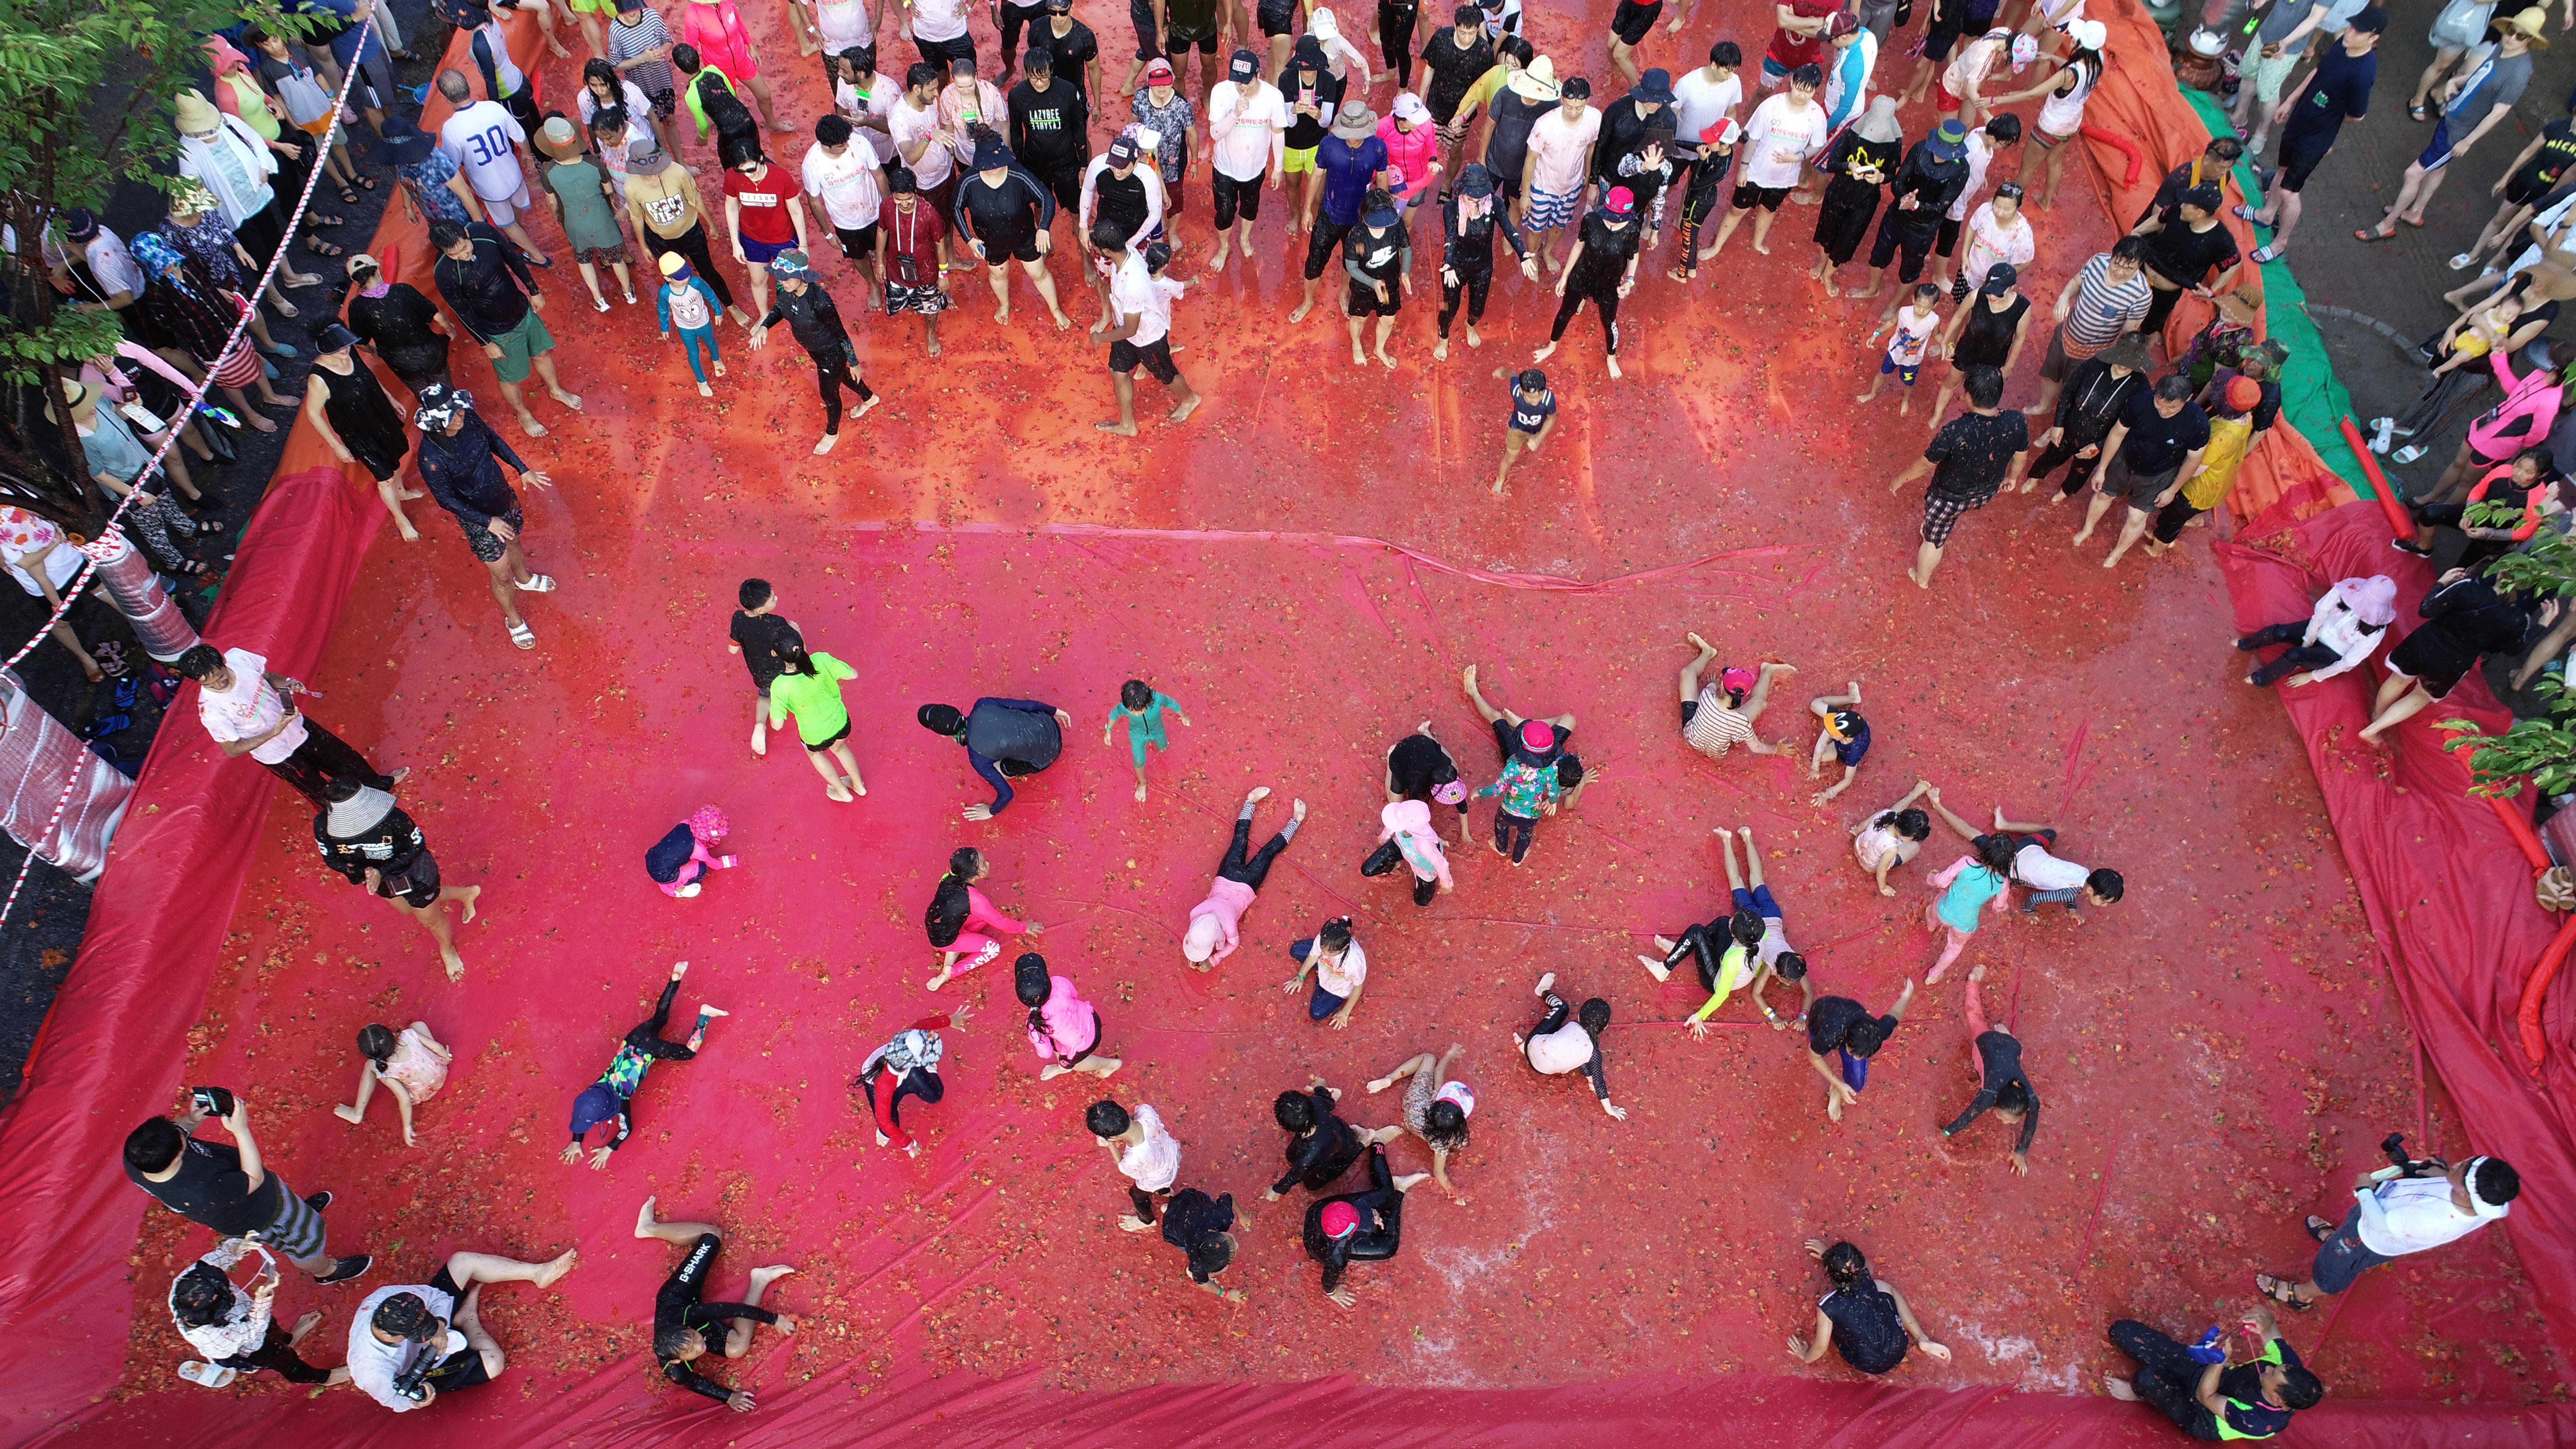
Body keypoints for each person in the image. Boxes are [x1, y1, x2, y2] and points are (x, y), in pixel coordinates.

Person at [125, 1097, 370, 1285]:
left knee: (294, 1212)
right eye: (180, 1138)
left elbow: (177, 1132)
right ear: (177, 1156)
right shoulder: (202, 1191)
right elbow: (254, 1178)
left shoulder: (136, 1158)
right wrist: (241, 1130)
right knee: (302, 1243)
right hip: (263, 1213)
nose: (182, 1132)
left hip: (257, 1200)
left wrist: (191, 1119)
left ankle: (301, 1213)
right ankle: (326, 1271)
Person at [2259, 1150, 2520, 1309]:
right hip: (2376, 1213)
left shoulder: (2434, 1221)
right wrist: (2439, 1174)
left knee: (2332, 1267)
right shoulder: (2478, 1200)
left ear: (2465, 1192)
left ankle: (2302, 1295)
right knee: (2348, 1231)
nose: (2459, 1162)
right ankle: (2334, 1239)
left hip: (2370, 1237)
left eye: (2461, 1168)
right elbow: (2446, 1185)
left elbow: (2381, 1224)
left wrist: (2364, 1190)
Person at [2364, 9, 2544, 241]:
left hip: (2459, 132)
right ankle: (2415, 212)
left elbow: (2499, 113)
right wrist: (2455, 81)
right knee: (2437, 168)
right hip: (2453, 116)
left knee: (2413, 174)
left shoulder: (2518, 73)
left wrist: (2468, 141)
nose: (2511, 38)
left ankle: (2388, 224)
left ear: (2530, 40)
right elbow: (2481, 75)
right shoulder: (2502, 49)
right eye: (2511, 31)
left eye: (2520, 36)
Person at [411, 384, 558, 650]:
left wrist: (522, 469)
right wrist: (488, 522)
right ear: (438, 423)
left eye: (459, 410)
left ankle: (524, 579)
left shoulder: (468, 418)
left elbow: (492, 439)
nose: (460, 416)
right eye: (452, 415)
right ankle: (513, 619)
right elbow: (446, 500)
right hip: (478, 518)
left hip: (501, 496)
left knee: (514, 539)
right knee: (500, 574)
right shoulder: (430, 458)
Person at [347, 1247, 579, 1412]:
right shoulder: (371, 1370)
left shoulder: (390, 1298)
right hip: (423, 1366)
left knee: (462, 1261)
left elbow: (437, 1297)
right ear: (397, 1338)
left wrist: (437, 1324)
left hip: (439, 1325)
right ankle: (469, 1321)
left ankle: (537, 1273)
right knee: (494, 1362)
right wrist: (418, 1399)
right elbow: (394, 1401)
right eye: (420, 1333)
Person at [2234, 9, 2380, 263]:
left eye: (2359, 31)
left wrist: (2328, 112)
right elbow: (2317, 73)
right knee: (2281, 170)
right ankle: (2266, 215)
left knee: (2291, 192)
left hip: (2315, 140)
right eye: (2351, 26)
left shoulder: (2363, 73)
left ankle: (2280, 243)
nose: (2350, 32)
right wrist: (2291, 100)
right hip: (2299, 121)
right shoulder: (2340, 46)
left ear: (2373, 38)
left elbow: (2357, 116)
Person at [177, 642, 403, 804]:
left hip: (298, 725)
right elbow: (232, 750)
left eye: (221, 676)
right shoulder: (212, 711)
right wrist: (274, 731)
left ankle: (380, 786)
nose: (220, 684)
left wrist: (287, 683)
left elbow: (266, 677)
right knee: (316, 789)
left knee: (343, 757)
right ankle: (347, 822)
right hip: (277, 754)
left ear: (225, 661)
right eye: (212, 683)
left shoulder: (239, 658)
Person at [313, 776, 484, 980]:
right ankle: (467, 893)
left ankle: (447, 949)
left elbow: (417, 846)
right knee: (407, 910)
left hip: (415, 873)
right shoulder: (324, 823)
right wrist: (363, 872)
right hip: (378, 880)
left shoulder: (393, 817)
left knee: (429, 920)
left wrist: (381, 871)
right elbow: (331, 858)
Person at [635, 1199, 796, 1413]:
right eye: (692, 1351)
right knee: (738, 1348)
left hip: (680, 1293)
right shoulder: (675, 1371)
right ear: (677, 1361)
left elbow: (733, 1309)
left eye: (694, 1338)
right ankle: (759, 1280)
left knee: (712, 1236)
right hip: (691, 1315)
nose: (700, 1346)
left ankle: (649, 1228)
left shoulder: (690, 1316)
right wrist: (728, 1397)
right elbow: (696, 1383)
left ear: (689, 1329)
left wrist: (774, 1320)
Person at [562, 961, 726, 1169]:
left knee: (688, 1053)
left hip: (648, 1050)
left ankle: (704, 1016)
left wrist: (610, 1148)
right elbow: (585, 1110)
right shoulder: (597, 1086)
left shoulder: (620, 1102)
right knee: (660, 1018)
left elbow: (626, 1130)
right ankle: (675, 979)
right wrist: (577, 1140)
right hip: (633, 1040)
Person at [427, 219, 582, 439]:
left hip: (521, 309)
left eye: (464, 248)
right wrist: (486, 343)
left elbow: (513, 259)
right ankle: (522, 413)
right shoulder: (444, 272)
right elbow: (462, 311)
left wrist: (534, 291)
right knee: (509, 378)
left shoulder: (483, 232)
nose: (462, 255)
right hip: (496, 330)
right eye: (454, 255)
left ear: (466, 234)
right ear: (444, 252)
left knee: (542, 352)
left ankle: (556, 390)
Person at [1887, 365, 2029, 587]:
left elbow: (1925, 465)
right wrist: (2012, 478)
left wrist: (1899, 480)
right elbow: (2020, 456)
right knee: (1940, 522)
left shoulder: (1955, 430)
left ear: (1968, 396)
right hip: (1985, 493)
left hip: (1949, 497)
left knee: (1934, 542)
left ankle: (1922, 579)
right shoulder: (2016, 421)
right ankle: (1932, 526)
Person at [2359, 568, 2531, 745]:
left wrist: (2442, 582)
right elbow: (2513, 650)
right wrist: (2541, 626)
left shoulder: (2467, 588)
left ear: (2500, 574)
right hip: (2451, 664)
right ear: (2526, 587)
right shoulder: (2518, 619)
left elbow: (2427, 609)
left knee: (2398, 681)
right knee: (2421, 695)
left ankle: (2376, 715)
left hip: (2422, 644)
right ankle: (2374, 730)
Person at [2105, 1306, 2324, 1438]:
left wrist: (2219, 1361)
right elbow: (2269, 1323)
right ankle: (2154, 1388)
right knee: (2122, 1331)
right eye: (2276, 1367)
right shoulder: (2289, 1368)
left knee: (2146, 1379)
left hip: (2203, 1416)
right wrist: (2260, 1318)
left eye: (2271, 1374)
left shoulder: (2258, 1420)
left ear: (2277, 1398)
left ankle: (2140, 1395)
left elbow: (2205, 1396)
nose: (2269, 1367)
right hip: (2209, 1375)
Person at [168, 1239, 349, 1389]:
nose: (230, 1292)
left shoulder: (188, 1281)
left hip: (250, 1315)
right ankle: (325, 1379)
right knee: (286, 1362)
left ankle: (290, 1339)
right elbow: (254, 1329)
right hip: (251, 1347)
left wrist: (235, 1249)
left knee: (275, 1330)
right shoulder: (213, 1335)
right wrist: (263, 1299)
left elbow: (213, 1261)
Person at [2072, 374, 2211, 569]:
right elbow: (2117, 433)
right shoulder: (2141, 401)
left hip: (2159, 474)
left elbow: (2193, 459)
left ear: (2188, 399)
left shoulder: (2198, 422)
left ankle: (2117, 553)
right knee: (2103, 495)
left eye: (2172, 408)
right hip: (2125, 459)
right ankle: (2087, 529)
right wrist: (2102, 468)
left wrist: (2172, 490)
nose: (2164, 410)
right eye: (2159, 403)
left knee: (2137, 516)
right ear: (2155, 393)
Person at [748, 250, 881, 452]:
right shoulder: (783, 288)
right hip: (813, 349)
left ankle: (832, 433)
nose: (782, 282)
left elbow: (842, 335)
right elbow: (779, 308)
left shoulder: (820, 302)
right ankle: (870, 398)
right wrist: (765, 326)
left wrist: (855, 363)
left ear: (802, 276)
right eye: (780, 277)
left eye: (786, 277)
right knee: (838, 376)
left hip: (831, 353)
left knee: (829, 393)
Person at [299, 322, 420, 539]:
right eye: (339, 348)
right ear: (325, 349)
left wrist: (391, 399)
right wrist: (337, 446)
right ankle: (401, 520)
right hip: (358, 433)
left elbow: (369, 378)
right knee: (386, 478)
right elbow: (313, 414)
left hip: (380, 416)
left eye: (346, 344)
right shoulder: (319, 379)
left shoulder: (350, 352)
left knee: (396, 455)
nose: (345, 349)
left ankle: (401, 493)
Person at [1922, 786, 2125, 915]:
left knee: (2050, 833)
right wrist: (2030, 912)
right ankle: (1938, 806)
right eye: (2105, 901)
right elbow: (2035, 899)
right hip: (2010, 865)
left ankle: (2005, 825)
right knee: (1975, 837)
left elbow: (2069, 887)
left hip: (2029, 847)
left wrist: (2072, 907)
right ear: (2091, 890)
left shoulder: (2084, 873)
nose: (2104, 906)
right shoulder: (2071, 892)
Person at [626, 137, 755, 327]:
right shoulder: (631, 187)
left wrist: (712, 224)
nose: (654, 174)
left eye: (656, 167)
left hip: (690, 231)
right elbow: (637, 217)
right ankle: (680, 305)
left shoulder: (679, 173)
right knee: (672, 275)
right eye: (647, 171)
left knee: (708, 271)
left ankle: (731, 306)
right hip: (660, 238)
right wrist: (644, 246)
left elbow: (696, 200)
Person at [1706, 62, 1825, 258]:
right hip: (1756, 171)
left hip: (1784, 178)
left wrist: (1797, 157)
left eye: (1809, 92)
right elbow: (1753, 139)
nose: (1803, 96)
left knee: (1769, 210)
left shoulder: (1816, 115)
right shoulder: (1772, 106)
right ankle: (1717, 246)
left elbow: (1817, 145)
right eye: (1800, 89)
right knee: (1737, 209)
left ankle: (1758, 242)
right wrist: (1743, 169)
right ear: (1792, 82)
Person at [2025, 238, 2153, 420]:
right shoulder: (2098, 261)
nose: (2119, 271)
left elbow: (2127, 333)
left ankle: (2059, 422)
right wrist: (2064, 298)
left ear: (2139, 266)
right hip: (2067, 333)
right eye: (2116, 264)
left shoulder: (2141, 294)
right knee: (2050, 374)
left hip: (2094, 352)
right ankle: (2044, 406)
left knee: (2074, 390)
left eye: (2128, 268)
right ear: (2112, 255)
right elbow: (2077, 282)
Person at [2014, 330, 2151, 498]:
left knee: (2080, 472)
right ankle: (2035, 478)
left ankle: (2065, 492)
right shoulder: (2095, 364)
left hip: (2098, 439)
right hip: (2070, 428)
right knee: (2050, 458)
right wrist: (2058, 425)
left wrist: (2100, 446)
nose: (2124, 364)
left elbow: (2129, 425)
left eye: (2130, 360)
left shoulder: (2141, 387)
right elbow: (2068, 393)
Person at [434, 70, 549, 266]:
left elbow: (452, 165)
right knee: (517, 208)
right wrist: (528, 156)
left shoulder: (451, 129)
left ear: (445, 98)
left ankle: (537, 255)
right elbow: (520, 136)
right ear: (468, 87)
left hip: (489, 186)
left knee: (507, 223)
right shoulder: (493, 108)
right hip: (512, 172)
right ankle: (518, 232)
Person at [1182, 786, 1307, 966]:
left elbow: (1233, 944)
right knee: (1240, 839)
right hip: (1227, 874)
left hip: (1248, 883)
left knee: (1268, 852)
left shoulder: (1229, 926)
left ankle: (1295, 821)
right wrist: (1193, 952)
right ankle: (1251, 802)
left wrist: (1214, 959)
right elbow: (1198, 933)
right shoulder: (1196, 913)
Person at [1849, 120, 1969, 304]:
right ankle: (1873, 289)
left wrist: (1916, 205)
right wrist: (1905, 198)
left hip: (1923, 228)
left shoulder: (1961, 169)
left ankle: (1895, 304)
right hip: (1897, 215)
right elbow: (1899, 180)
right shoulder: (1921, 148)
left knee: (1910, 269)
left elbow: (1942, 205)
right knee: (1879, 255)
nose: (1938, 155)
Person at [1788, 1239, 1951, 1374]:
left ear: (1830, 1274)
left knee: (1841, 1321)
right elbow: (1869, 1266)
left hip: (1868, 1364)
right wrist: (1831, 1256)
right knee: (1883, 1286)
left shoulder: (1828, 1305)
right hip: (1898, 1347)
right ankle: (1922, 1338)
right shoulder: (1866, 1276)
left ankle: (1920, 1340)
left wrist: (1805, 1356)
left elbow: (1821, 1347)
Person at [1095, 232, 1205, 430]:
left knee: (1167, 374)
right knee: (1118, 371)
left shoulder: (1133, 286)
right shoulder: (1127, 251)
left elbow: (1131, 329)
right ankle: (1128, 425)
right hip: (1125, 328)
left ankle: (1190, 398)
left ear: (1106, 251)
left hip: (1148, 337)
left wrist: (1099, 338)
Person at [1295, 103, 1395, 320]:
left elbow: (1383, 179)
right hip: (1329, 216)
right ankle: (1308, 300)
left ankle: (1343, 293)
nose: (1353, 139)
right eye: (1348, 134)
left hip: (1360, 222)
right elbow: (1317, 176)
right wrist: (1307, 209)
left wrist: (1383, 214)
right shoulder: (1328, 145)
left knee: (1351, 263)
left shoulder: (1378, 148)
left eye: (1357, 135)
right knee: (1313, 263)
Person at [1939, 965, 2040, 1173]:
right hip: (1987, 1043)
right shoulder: (1988, 1094)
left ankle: (2003, 1031)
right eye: (2003, 1118)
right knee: (1974, 1017)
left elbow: (2033, 1118)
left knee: (2010, 1050)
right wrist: (1946, 1133)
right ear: (1995, 1100)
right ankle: (1973, 981)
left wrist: (2021, 1151)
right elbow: (1968, 1116)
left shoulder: (2032, 1098)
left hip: (2012, 1047)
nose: (2004, 1122)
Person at [2146, 375, 2261, 555]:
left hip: (2196, 492)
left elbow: (2195, 469)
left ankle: (2158, 547)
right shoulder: (2246, 417)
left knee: (2170, 521)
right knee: (2190, 512)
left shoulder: (2219, 437)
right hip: (2220, 484)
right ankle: (2195, 520)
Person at [1302, 1143, 1425, 1307]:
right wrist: (1330, 1292)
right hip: (1323, 1243)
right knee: (1388, 1247)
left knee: (1384, 1195)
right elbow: (1329, 1278)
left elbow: (1355, 1210)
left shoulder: (1326, 1212)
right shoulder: (1337, 1255)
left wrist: (1370, 1214)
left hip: (1328, 1214)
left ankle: (1377, 1144)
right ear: (1350, 1236)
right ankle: (1399, 1193)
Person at [536, 116, 637, 312]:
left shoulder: (548, 171)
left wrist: (558, 216)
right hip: (601, 218)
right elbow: (609, 190)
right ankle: (628, 292)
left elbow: (551, 202)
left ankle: (599, 299)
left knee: (584, 259)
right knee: (616, 258)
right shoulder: (593, 162)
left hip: (573, 221)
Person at [918, 695, 1075, 819]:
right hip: (1049, 723)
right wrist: (1054, 711)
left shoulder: (977, 757)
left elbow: (1007, 794)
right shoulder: (984, 704)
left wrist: (990, 811)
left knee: (998, 769)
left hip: (1048, 758)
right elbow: (1030, 706)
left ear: (945, 735)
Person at [2238, 573, 2399, 689]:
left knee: (2293, 655)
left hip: (2332, 653)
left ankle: (2261, 679)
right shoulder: (2344, 591)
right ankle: (2245, 643)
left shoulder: (2376, 632)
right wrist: (2308, 640)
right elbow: (2320, 614)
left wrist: (2312, 676)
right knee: (2280, 632)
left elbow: (2349, 662)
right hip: (2318, 630)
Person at [1204, 48, 1286, 271]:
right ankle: (1224, 246)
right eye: (1238, 81)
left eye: (1247, 82)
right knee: (1224, 213)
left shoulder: (1273, 97)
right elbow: (1215, 134)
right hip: (1225, 168)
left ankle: (1244, 238)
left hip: (1255, 168)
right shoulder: (1222, 92)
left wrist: (1278, 167)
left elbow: (1278, 132)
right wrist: (1235, 114)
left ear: (1257, 75)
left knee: (1250, 209)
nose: (1242, 86)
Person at [1811, 96, 1900, 294]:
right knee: (1827, 232)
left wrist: (1881, 177)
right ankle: (1822, 263)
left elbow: (1894, 172)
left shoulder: (1894, 142)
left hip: (1866, 200)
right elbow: (1832, 163)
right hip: (1839, 191)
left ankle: (1828, 275)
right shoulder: (1852, 133)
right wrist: (1849, 166)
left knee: (1848, 240)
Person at [1925, 263, 2031, 426]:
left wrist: (2009, 366)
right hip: (1967, 351)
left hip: (1993, 361)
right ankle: (1937, 415)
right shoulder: (1976, 296)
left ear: (2012, 287)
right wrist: (1946, 341)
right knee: (1950, 383)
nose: (1992, 296)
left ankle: (1975, 423)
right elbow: (1959, 316)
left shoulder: (2022, 308)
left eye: (1998, 293)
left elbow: (2020, 338)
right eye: (1989, 291)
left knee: (1981, 397)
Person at [1364, 1044, 1472, 1202]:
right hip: (1417, 1125)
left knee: (1429, 1058)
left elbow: (1439, 1071)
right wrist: (1452, 1190)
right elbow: (1439, 1173)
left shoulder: (1437, 1099)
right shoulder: (1441, 1145)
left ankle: (1391, 1078)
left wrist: (1449, 1055)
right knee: (1462, 1143)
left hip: (1415, 1105)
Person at [2134, 185, 2242, 341]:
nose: (2182, 205)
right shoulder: (2178, 209)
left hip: (2164, 295)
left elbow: (2234, 264)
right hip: (2140, 274)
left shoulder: (2221, 239)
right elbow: (2159, 220)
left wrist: (2212, 291)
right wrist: (2136, 232)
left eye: (2187, 204)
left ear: (2200, 212)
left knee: (2148, 329)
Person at [925, 846, 1046, 985]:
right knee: (994, 949)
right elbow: (1000, 922)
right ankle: (950, 973)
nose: (987, 863)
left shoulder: (947, 877)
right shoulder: (975, 900)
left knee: (984, 915)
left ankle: (956, 948)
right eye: (983, 864)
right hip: (945, 940)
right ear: (973, 876)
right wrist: (1024, 927)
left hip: (938, 925)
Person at [765, 639, 868, 802]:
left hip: (815, 735)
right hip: (840, 721)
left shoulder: (780, 685)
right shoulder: (821, 659)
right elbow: (853, 674)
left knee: (815, 755)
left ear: (776, 655)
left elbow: (777, 725)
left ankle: (843, 794)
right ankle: (859, 787)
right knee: (840, 748)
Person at [1515, 971, 1626, 1119]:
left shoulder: (1573, 1025)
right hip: (1544, 1070)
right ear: (1604, 1028)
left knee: (1562, 1008)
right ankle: (1588, 1079)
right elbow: (1600, 1084)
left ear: (1580, 1016)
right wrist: (1609, 1109)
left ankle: (1542, 990)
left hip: (1532, 1045)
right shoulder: (1594, 1054)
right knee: (1581, 1057)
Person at [346, 253, 456, 399]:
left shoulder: (356, 307)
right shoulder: (404, 291)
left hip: (401, 363)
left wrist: (373, 351)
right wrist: (450, 331)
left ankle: (433, 413)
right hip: (430, 353)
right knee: (445, 383)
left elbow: (360, 343)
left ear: (355, 281)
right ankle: (456, 407)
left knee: (422, 392)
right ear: (378, 270)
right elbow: (438, 316)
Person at [806, 114, 890, 302]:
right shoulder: (812, 164)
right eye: (841, 145)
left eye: (847, 141)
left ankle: (892, 280)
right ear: (826, 145)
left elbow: (879, 175)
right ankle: (874, 285)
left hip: (875, 211)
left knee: (889, 248)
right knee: (858, 255)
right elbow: (814, 201)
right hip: (846, 223)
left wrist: (889, 206)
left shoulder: (859, 143)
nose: (846, 146)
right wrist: (828, 234)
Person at [1519, 78, 1599, 273]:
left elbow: (1591, 146)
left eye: (1579, 108)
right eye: (1569, 106)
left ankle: (1547, 252)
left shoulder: (1595, 118)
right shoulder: (1545, 125)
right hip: (1542, 187)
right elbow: (1530, 159)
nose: (1573, 112)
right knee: (1535, 228)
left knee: (1559, 225)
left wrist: (1588, 173)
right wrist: (1525, 194)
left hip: (1572, 186)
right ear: (1562, 99)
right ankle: (1533, 258)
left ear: (1587, 101)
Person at [1008, 48, 1093, 230]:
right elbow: (1016, 132)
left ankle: (1085, 255)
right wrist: (1019, 168)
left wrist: (1084, 164)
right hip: (1036, 164)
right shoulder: (1017, 95)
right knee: (1039, 206)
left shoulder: (1068, 91)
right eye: (1034, 78)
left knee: (1076, 211)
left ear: (1051, 71)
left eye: (1044, 77)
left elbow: (1079, 128)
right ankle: (1044, 244)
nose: (1039, 83)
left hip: (1066, 163)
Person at [1805, 981, 1914, 1122]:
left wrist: (1906, 996)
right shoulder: (1829, 1035)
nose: (1857, 1059)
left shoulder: (1877, 1031)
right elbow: (1813, 1056)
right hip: (1821, 1019)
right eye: (1854, 1054)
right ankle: (1838, 1086)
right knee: (1821, 1052)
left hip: (1851, 1019)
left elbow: (1896, 1014)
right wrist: (1838, 1082)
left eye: (1861, 1056)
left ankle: (1836, 1092)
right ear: (1846, 1043)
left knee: (1857, 1083)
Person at [335, 1020, 453, 1147]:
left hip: (424, 1093)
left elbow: (404, 1099)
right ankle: (432, 1062)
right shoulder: (409, 1035)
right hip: (440, 1072)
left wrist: (407, 1127)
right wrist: (446, 1059)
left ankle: (357, 1113)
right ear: (392, 1034)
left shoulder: (383, 1069)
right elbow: (438, 1048)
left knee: (369, 1067)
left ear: (372, 1056)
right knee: (418, 1025)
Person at [878, 166, 954, 354]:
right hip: (896, 269)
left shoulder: (930, 214)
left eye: (908, 199)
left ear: (915, 192)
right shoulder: (887, 207)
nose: (904, 204)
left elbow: (940, 245)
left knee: (930, 306)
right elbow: (882, 232)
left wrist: (943, 274)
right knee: (901, 301)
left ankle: (931, 334)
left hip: (926, 271)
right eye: (899, 199)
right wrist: (880, 263)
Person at [1017, 952, 1122, 1079]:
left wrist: (1036, 1038)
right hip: (1091, 1018)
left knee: (1072, 1063)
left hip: (1083, 1044)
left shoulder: (1034, 1025)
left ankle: (1111, 1064)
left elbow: (1046, 1053)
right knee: (1056, 1040)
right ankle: (1065, 1060)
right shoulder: (1058, 982)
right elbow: (1075, 995)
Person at [1340, 188, 1414, 367]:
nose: (1381, 225)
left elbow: (1406, 249)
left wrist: (1405, 271)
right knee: (1359, 318)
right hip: (1364, 286)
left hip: (1389, 284)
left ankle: (1379, 349)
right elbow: (1351, 267)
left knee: (1388, 320)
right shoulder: (1356, 235)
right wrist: (1372, 283)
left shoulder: (1396, 226)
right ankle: (1356, 344)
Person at [1132, 62, 1200, 251]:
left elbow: (1193, 134)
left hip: (1174, 161)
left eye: (1166, 82)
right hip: (1148, 160)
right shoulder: (1140, 98)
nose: (1161, 87)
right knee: (1151, 195)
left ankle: (1173, 231)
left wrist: (1194, 162)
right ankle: (1160, 224)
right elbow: (1133, 123)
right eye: (1156, 83)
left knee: (1175, 198)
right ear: (1149, 83)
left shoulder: (1181, 105)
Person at [1089, 1098, 1182, 1228]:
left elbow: (1124, 1168)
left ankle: (1146, 1220)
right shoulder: (1146, 1110)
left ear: (1114, 1138)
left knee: (1137, 1195)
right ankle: (1164, 1191)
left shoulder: (1135, 1157)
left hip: (1157, 1177)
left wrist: (1111, 1146)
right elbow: (1132, 1117)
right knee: (1158, 1175)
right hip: (1171, 1155)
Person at [1858, 282, 1944, 415]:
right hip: (1894, 353)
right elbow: (1891, 322)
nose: (1921, 311)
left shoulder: (1934, 321)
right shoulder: (1904, 312)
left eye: (1926, 308)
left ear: (1935, 306)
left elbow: (1937, 334)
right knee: (1882, 374)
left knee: (1909, 383)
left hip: (1913, 360)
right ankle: (1872, 394)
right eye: (1919, 306)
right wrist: (1876, 335)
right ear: (1914, 300)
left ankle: (1906, 399)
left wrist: (1947, 344)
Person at [656, 252, 730, 397]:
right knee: (693, 353)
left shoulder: (696, 283)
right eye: (680, 277)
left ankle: (716, 359)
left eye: (687, 273)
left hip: (703, 322)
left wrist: (718, 311)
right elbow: (662, 309)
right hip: (685, 328)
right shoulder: (665, 293)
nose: (686, 279)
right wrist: (664, 327)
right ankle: (701, 381)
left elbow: (710, 294)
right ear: (667, 278)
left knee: (711, 342)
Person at [1106, 677, 1191, 799]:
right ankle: (1142, 783)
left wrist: (1184, 716)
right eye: (1132, 711)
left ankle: (1161, 745)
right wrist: (1108, 731)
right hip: (1137, 734)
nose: (1136, 714)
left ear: (1148, 702)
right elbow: (1114, 714)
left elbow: (1171, 703)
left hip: (1158, 730)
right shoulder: (1124, 707)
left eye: (1140, 710)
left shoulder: (1157, 699)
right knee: (1139, 760)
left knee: (1163, 747)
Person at [1159, 1186, 1247, 1301]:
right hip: (1179, 1225)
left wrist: (1242, 1215)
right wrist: (1226, 1294)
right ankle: (1170, 1209)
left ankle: (1170, 1209)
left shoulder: (1223, 1216)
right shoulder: (1197, 1263)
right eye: (1232, 1241)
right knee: (1183, 1237)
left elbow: (1227, 1196)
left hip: (1183, 1209)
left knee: (1176, 1209)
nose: (1237, 1245)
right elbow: (1203, 1283)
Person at [1283, 915, 1370, 1028]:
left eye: (1329, 952)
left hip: (1340, 985)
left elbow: (1358, 987)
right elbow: (1313, 956)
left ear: (1344, 948)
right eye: (1322, 948)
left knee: (1316, 1013)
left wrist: (1345, 1012)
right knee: (1295, 950)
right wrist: (1300, 976)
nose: (1324, 952)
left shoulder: (1353, 964)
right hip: (1325, 965)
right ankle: (1321, 977)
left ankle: (1320, 983)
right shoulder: (1323, 939)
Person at [1852, 781, 1935, 895]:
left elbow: (1862, 826)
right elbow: (1881, 870)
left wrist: (1856, 831)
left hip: (1858, 845)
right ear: (1905, 836)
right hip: (1869, 864)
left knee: (1893, 812)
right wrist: (1883, 888)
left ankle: (1912, 795)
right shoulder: (1892, 849)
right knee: (1916, 848)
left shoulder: (1885, 814)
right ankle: (1913, 794)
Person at [645, 804, 739, 899]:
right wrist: (724, 862)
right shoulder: (699, 851)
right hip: (666, 876)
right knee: (701, 868)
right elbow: (712, 863)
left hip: (653, 860)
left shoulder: (685, 823)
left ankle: (669, 880)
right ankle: (677, 889)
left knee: (676, 859)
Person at [1803, 685, 1869, 805]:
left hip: (1843, 748)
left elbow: (1848, 780)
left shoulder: (1854, 752)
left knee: (1821, 757)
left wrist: (1827, 795)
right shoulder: (1840, 723)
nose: (1828, 730)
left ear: (1845, 737)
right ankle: (1852, 698)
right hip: (1842, 723)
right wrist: (1814, 768)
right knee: (1815, 704)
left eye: (1832, 731)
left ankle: (1852, 699)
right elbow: (1821, 743)